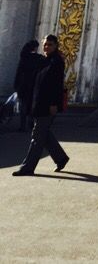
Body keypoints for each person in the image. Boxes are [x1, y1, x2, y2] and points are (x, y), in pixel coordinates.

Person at [12, 34, 69, 176]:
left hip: (47, 104)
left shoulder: (56, 62)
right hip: (38, 103)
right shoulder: (44, 61)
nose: (46, 47)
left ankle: (27, 167)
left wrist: (54, 104)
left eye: (50, 44)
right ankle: (61, 158)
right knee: (42, 133)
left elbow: (57, 85)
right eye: (45, 44)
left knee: (37, 136)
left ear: (55, 46)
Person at [13, 40, 44, 132]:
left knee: (23, 105)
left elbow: (19, 72)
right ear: (35, 48)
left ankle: (22, 126)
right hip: (34, 85)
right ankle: (31, 125)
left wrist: (16, 84)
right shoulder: (39, 58)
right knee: (32, 105)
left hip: (23, 85)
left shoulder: (24, 57)